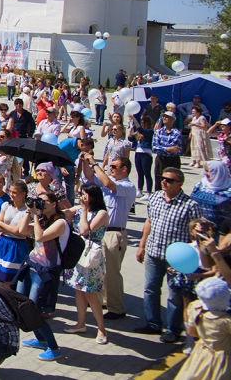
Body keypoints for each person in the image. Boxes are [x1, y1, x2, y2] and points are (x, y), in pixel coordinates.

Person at [136, 167, 204, 342]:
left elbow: (197, 237)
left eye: (169, 180)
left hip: (176, 259)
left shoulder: (190, 206)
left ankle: (174, 330)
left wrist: (188, 259)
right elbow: (149, 221)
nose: (164, 181)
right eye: (162, 178)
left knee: (174, 294)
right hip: (153, 252)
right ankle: (153, 323)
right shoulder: (156, 197)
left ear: (179, 184)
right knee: (150, 288)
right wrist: (142, 245)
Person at [81, 153, 136, 320]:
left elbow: (107, 182)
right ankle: (104, 300)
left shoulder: (127, 186)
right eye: (110, 166)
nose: (110, 169)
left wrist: (95, 163)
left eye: (114, 167)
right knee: (100, 269)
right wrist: (85, 162)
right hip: (102, 231)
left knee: (112, 273)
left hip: (115, 232)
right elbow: (90, 176)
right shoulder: (109, 182)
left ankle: (117, 308)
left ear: (124, 169)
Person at [16, 191, 69, 362]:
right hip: (32, 265)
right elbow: (22, 230)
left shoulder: (60, 223)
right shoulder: (43, 220)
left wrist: (35, 217)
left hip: (46, 271)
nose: (41, 204)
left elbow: (39, 236)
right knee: (22, 303)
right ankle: (40, 339)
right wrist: (28, 212)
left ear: (54, 204)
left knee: (34, 310)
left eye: (44, 202)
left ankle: (53, 348)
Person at [61, 185, 110, 344]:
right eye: (81, 194)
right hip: (77, 254)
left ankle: (101, 328)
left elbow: (84, 230)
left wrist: (81, 211)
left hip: (91, 257)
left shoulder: (101, 213)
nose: (82, 197)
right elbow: (63, 214)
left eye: (85, 195)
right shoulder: (79, 209)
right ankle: (80, 323)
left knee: (91, 293)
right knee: (78, 290)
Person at [174, 277, 230, 380]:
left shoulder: (194, 307)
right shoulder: (225, 321)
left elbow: (191, 331)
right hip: (223, 357)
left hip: (201, 352)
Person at [0, 180, 33, 283]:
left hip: (16, 245)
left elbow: (18, 231)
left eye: (15, 192)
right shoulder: (6, 205)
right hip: (3, 242)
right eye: (10, 191)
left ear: (23, 194)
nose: (11, 194)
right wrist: (5, 227)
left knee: (10, 277)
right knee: (0, 276)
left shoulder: (26, 211)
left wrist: (1, 224)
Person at [154, 111, 185, 192]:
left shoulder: (176, 133)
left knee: (172, 181)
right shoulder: (158, 132)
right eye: (163, 116)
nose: (164, 118)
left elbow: (175, 149)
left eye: (167, 117)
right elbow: (154, 147)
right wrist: (167, 149)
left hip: (172, 160)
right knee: (159, 180)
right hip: (161, 159)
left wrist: (162, 148)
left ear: (172, 119)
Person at [132, 114, 156, 196]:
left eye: (143, 122)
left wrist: (135, 120)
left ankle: (149, 192)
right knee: (140, 173)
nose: (142, 123)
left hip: (146, 153)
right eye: (141, 122)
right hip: (138, 152)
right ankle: (140, 190)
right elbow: (130, 139)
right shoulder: (139, 132)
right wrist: (131, 133)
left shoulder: (150, 131)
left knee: (147, 173)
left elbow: (142, 131)